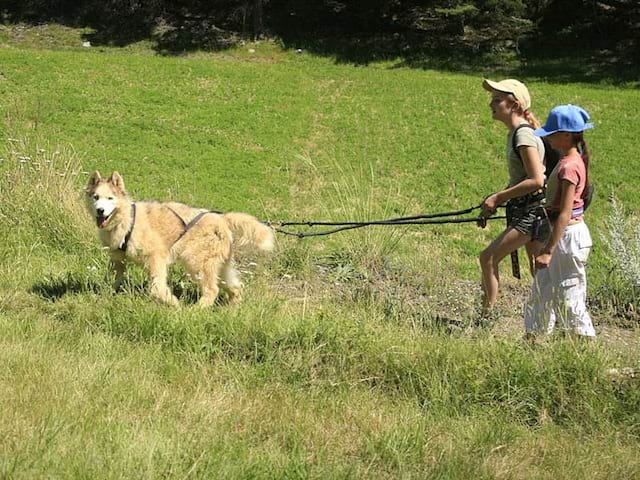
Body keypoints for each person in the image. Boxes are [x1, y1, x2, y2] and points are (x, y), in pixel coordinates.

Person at [478, 79, 548, 319]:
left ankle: (486, 317)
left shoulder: (523, 136)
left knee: (488, 257)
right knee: (538, 269)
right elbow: (523, 178)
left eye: (497, 100)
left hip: (531, 212)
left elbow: (537, 180)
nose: (491, 104)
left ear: (514, 104)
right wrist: (494, 200)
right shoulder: (517, 134)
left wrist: (499, 197)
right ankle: (548, 319)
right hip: (529, 210)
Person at [524, 105, 596, 338]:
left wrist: (548, 250)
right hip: (561, 235)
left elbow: (565, 213)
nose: (548, 138)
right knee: (542, 289)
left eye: (552, 133)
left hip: (566, 238)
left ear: (566, 135)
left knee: (570, 294)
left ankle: (583, 345)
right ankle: (533, 339)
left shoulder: (568, 167)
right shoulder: (572, 160)